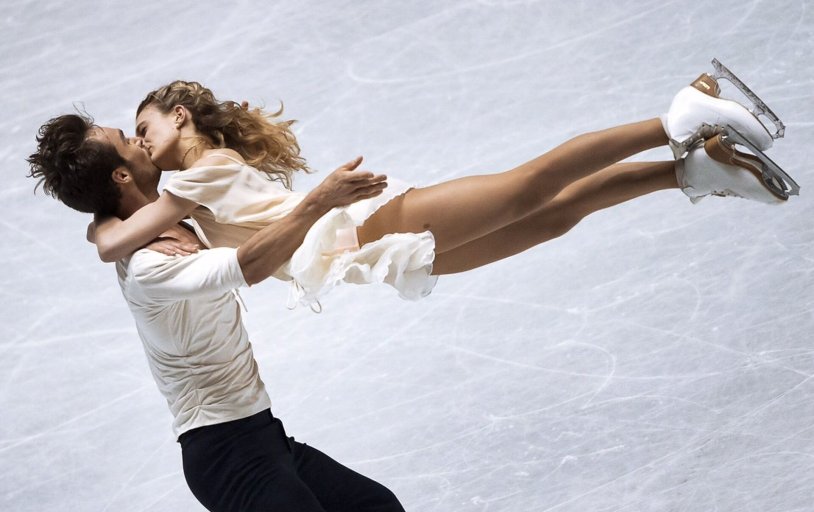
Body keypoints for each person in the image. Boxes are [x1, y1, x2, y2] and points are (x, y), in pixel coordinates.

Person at [88, 65, 797, 308]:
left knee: (529, 188)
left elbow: (118, 239)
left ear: (181, 118)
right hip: (367, 254)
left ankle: (676, 114)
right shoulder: (189, 175)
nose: (140, 138)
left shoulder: (190, 176)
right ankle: (688, 168)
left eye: (142, 126)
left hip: (376, 223)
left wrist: (98, 225)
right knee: (550, 219)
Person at [27, 115, 404, 511]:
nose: (139, 140)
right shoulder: (149, 265)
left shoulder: (165, 221)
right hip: (226, 454)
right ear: (121, 176)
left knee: (376, 506)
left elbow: (106, 227)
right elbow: (250, 265)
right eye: (125, 139)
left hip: (262, 434)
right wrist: (319, 200)